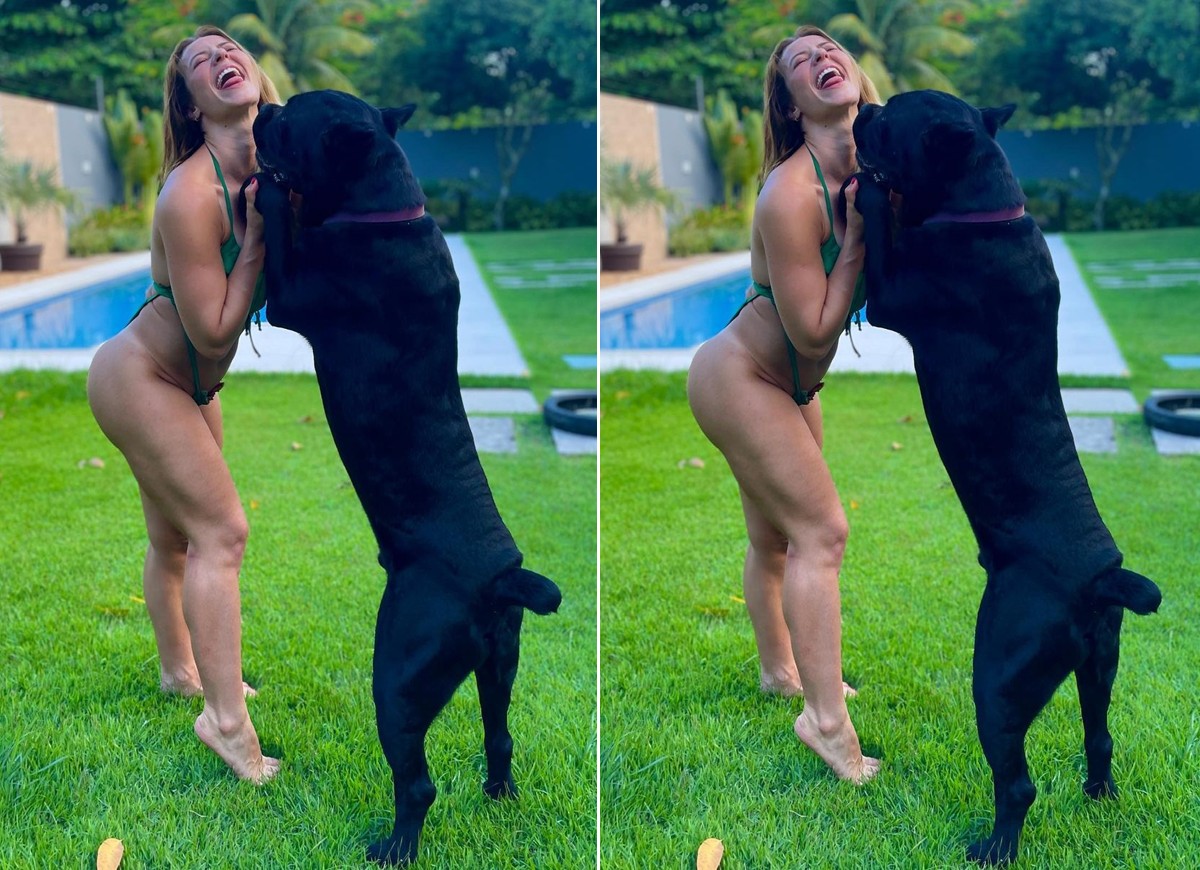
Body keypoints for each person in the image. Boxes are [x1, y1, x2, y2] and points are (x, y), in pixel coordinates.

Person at [686, 25, 881, 784]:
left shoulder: (881, 165)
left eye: (828, 48)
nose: (820, 58)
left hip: (795, 384)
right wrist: (856, 239)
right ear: (793, 107)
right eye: (800, 62)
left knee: (774, 540)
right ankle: (825, 724)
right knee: (821, 533)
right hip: (740, 375)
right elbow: (813, 329)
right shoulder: (791, 193)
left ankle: (781, 671)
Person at [87, 25, 281, 784]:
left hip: (195, 385)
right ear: (193, 107)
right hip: (140, 375)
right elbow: (212, 329)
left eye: (227, 48)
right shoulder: (190, 194)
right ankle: (225, 724)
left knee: (174, 540)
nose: (220, 58)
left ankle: (181, 672)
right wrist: (256, 240)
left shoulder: (280, 163)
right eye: (200, 62)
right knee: (220, 533)